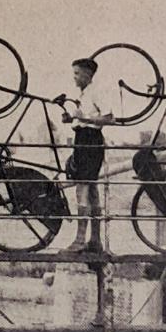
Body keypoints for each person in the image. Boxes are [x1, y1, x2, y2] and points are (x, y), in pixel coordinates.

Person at [54, 57, 114, 252]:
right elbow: (82, 118)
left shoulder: (96, 92)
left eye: (77, 73)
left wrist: (82, 117)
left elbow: (109, 118)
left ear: (88, 74)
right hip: (83, 140)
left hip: (90, 141)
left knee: (82, 190)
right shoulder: (84, 94)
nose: (74, 78)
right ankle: (95, 241)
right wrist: (71, 119)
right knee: (93, 191)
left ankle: (80, 240)